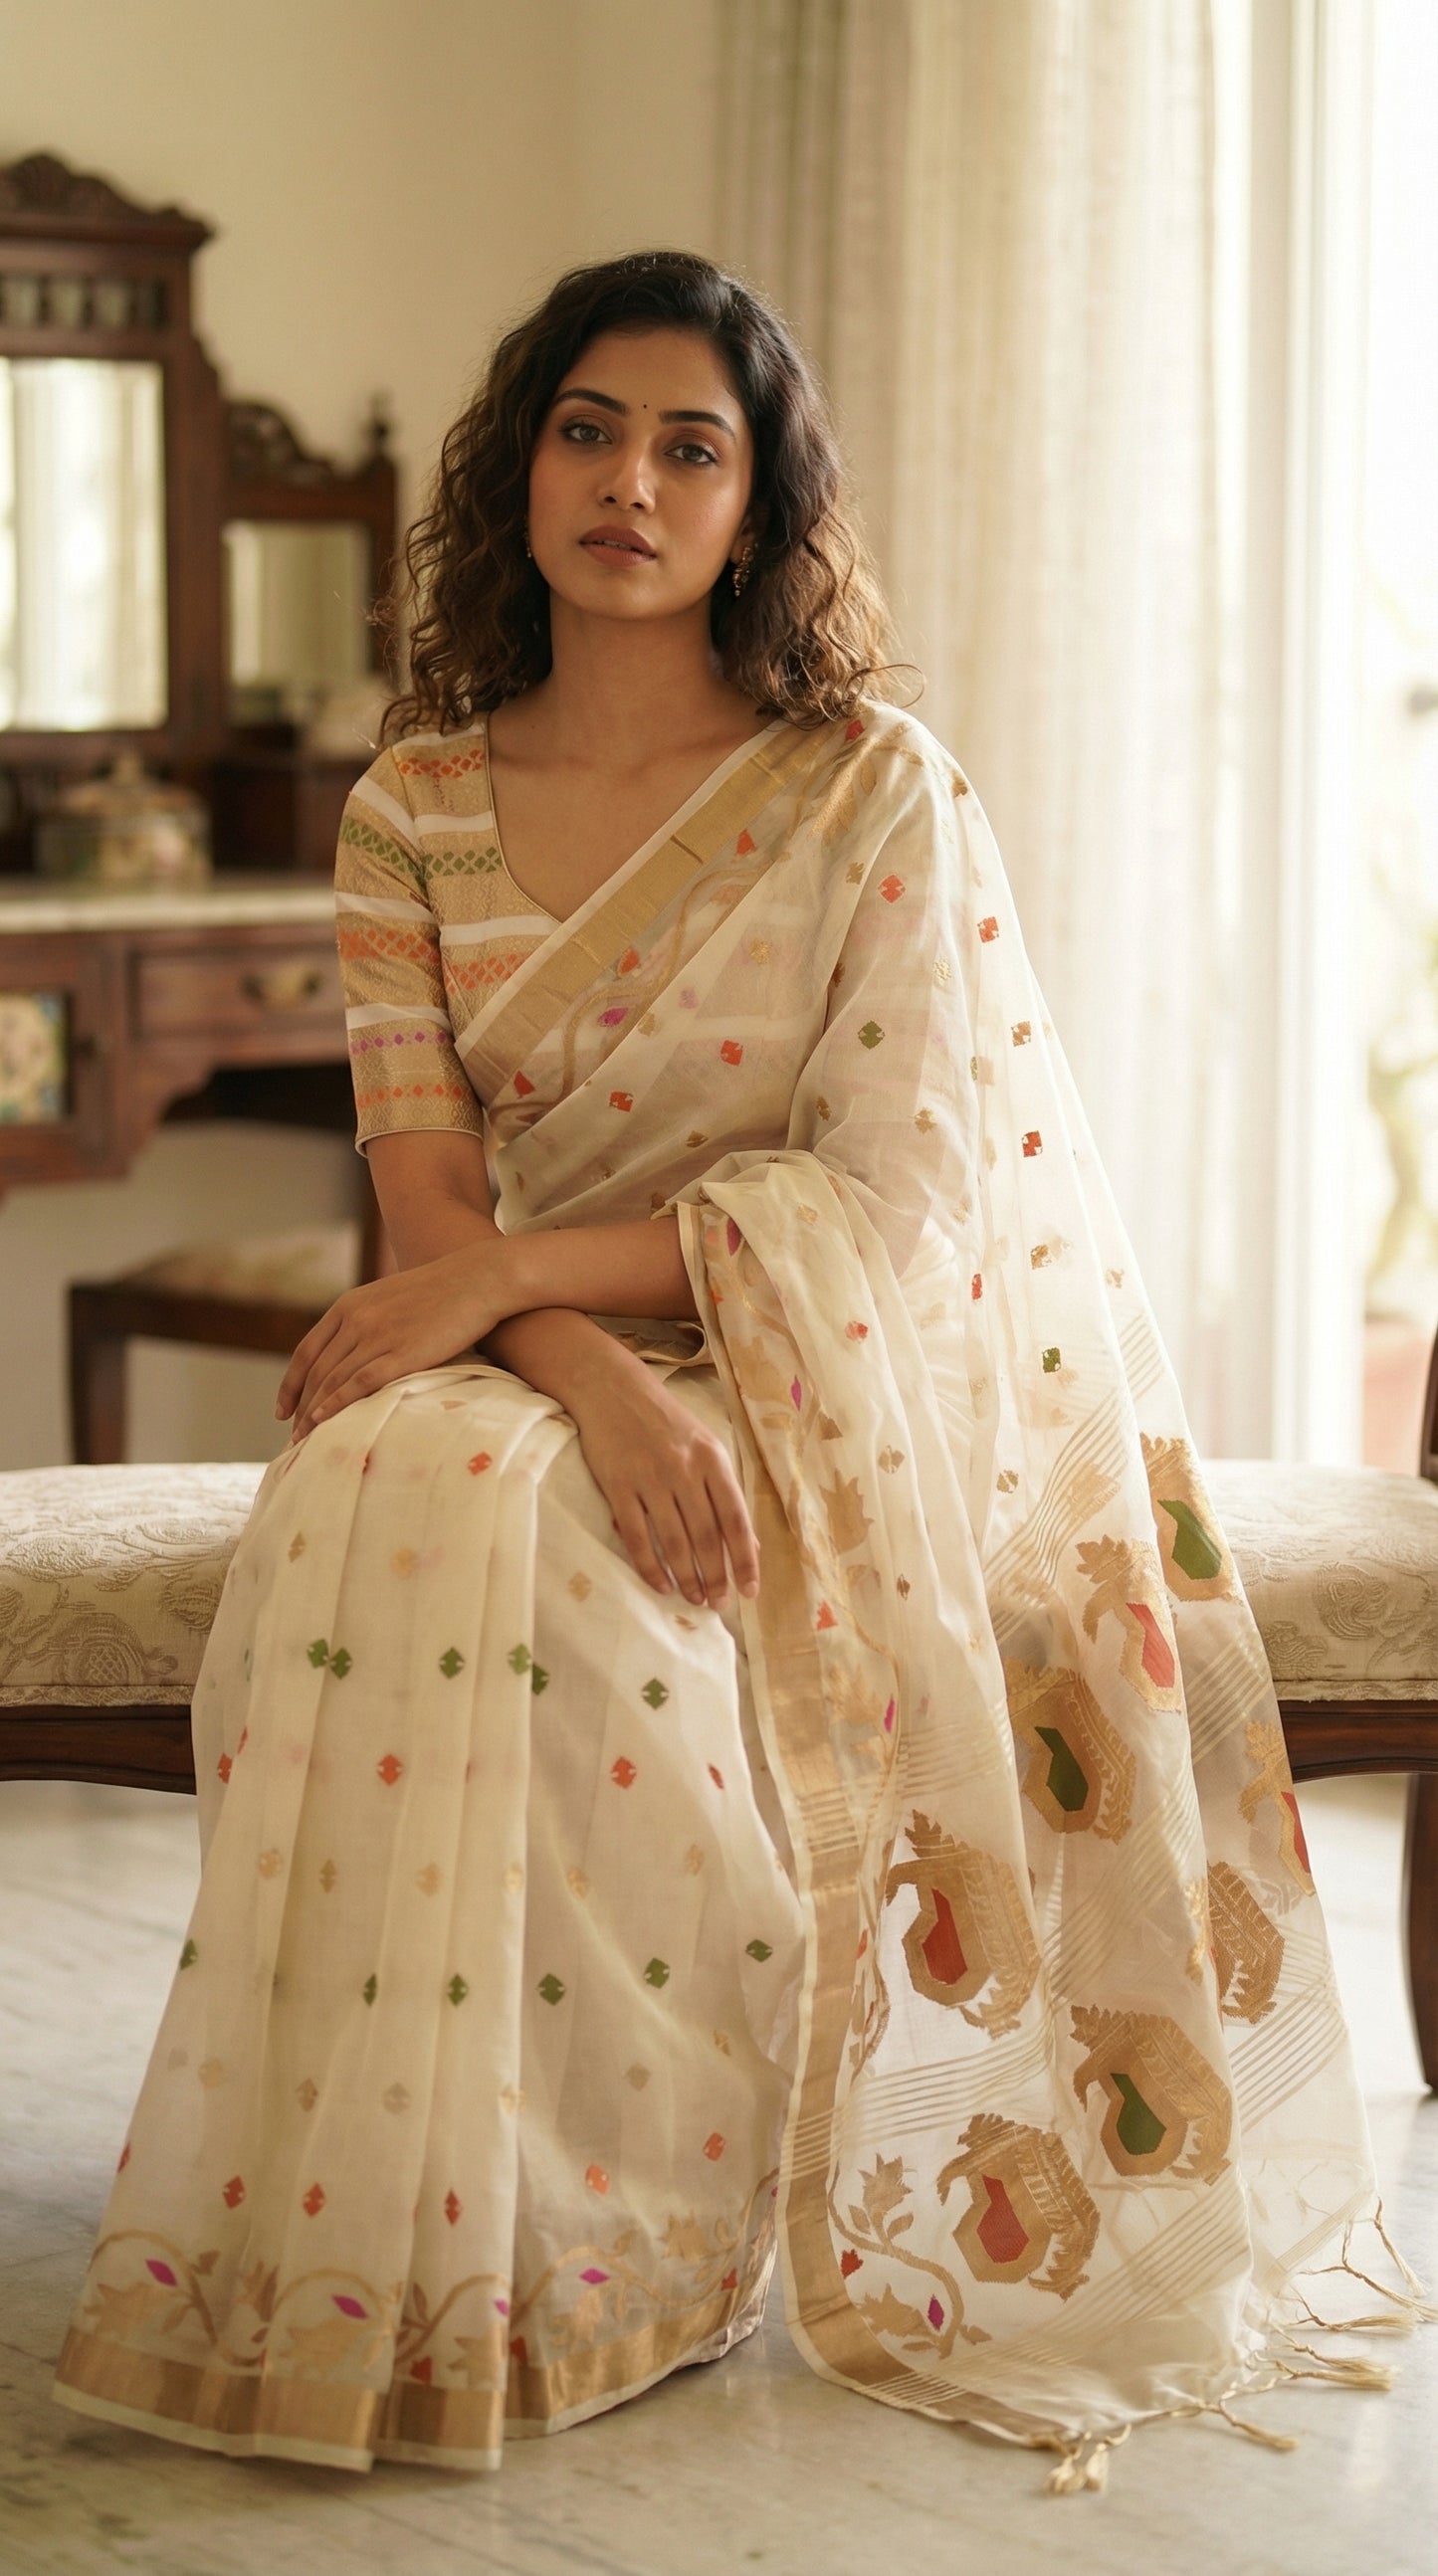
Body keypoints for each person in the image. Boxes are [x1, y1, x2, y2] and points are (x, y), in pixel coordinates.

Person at [55, 251, 1400, 2481]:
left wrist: (541, 1319)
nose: (632, 480)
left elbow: (897, 1207)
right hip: (533, 1347)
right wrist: (574, 1364)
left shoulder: (864, 793)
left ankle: (622, 2245)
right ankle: (374, 2257)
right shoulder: (414, 807)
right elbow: (426, 1213)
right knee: (410, 1491)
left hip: (828, 1369)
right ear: (524, 468)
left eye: (695, 444)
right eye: (591, 427)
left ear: (760, 506)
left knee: (491, 1510)